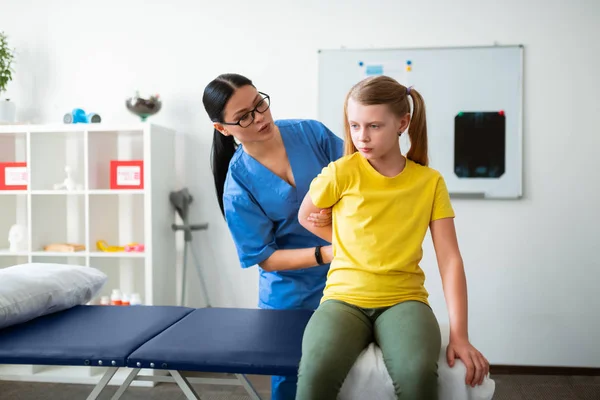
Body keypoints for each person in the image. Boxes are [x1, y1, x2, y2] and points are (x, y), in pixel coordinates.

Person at [296, 75, 490, 400]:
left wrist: (460, 335)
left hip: (404, 300)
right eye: (354, 125)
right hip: (343, 299)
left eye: (374, 126)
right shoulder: (340, 172)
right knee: (314, 372)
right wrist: (348, 240)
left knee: (417, 376)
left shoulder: (429, 182)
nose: (362, 136)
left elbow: (450, 259)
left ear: (402, 123)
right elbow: (306, 216)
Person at [202, 73, 344, 400]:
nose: (260, 118)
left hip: (345, 278)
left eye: (260, 104)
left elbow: (359, 178)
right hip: (289, 291)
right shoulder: (238, 185)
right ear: (222, 129)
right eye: (244, 117)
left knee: (350, 373)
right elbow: (264, 257)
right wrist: (327, 253)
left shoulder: (311, 133)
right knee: (292, 378)